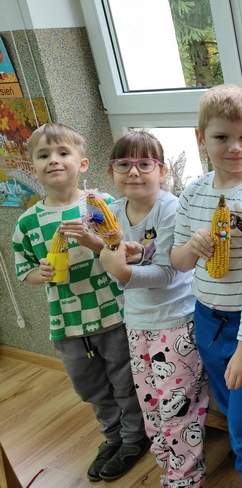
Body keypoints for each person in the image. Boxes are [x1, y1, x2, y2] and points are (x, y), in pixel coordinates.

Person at [11, 122, 149, 482]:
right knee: (90, 387)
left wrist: (92, 241)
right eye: (43, 155)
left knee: (125, 380)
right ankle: (112, 436)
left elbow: (123, 251)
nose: (54, 160)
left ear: (82, 164)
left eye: (63, 153)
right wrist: (38, 273)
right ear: (32, 168)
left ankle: (134, 438)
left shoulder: (102, 205)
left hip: (113, 313)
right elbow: (23, 268)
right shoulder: (27, 222)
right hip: (68, 322)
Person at [170, 84, 242, 488]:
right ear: (201, 138)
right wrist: (191, 247)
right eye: (221, 137)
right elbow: (177, 262)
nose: (235, 147)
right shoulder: (193, 192)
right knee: (233, 410)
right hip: (207, 319)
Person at [98, 130, 207, 488]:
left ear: (162, 171)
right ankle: (166, 462)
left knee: (178, 408)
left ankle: (184, 478)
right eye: (124, 164)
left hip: (175, 323)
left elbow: (167, 271)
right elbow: (115, 255)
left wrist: (123, 271)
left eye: (145, 163)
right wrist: (120, 260)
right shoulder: (113, 211)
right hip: (136, 322)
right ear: (111, 171)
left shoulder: (170, 208)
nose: (134, 171)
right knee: (150, 402)